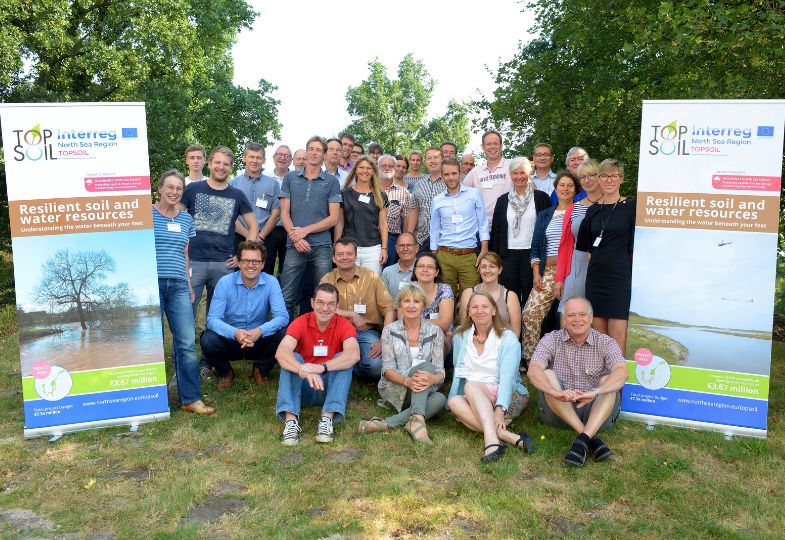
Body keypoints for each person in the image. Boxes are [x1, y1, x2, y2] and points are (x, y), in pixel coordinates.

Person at [527, 297, 628, 466]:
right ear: (564, 319)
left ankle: (582, 440)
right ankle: (589, 437)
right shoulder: (551, 339)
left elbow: (622, 372)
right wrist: (555, 392)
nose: (577, 320)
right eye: (571, 315)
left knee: (607, 380)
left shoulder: (606, 342)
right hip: (559, 410)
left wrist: (595, 392)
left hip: (596, 412)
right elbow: (533, 369)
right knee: (548, 374)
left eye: (582, 314)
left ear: (590, 317)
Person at [153, 169, 214, 414]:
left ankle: (190, 399)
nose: (174, 192)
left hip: (179, 284)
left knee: (187, 342)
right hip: (152, 283)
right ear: (159, 189)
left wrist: (189, 285)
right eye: (170, 187)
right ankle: (153, 399)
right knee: (152, 343)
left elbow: (185, 254)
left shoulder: (186, 219)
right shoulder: (146, 214)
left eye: (179, 188)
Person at [447, 291, 531, 463]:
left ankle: (492, 442)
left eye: (485, 306)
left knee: (471, 386)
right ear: (468, 312)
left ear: (494, 310)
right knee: (453, 402)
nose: (479, 311)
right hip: (475, 396)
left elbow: (508, 378)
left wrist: (500, 411)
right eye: (474, 307)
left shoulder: (508, 339)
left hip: (507, 396)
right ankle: (507, 436)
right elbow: (459, 370)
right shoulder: (460, 336)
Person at [180, 146, 258, 327]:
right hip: (193, 261)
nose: (221, 167)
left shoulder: (237, 195)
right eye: (217, 162)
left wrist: (243, 257)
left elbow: (253, 226)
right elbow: (177, 217)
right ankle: (183, 354)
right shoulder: (192, 189)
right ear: (209, 164)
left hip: (223, 264)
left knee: (218, 315)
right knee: (186, 311)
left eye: (226, 164)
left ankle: (212, 353)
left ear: (231, 167)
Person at [358, 284, 447, 443]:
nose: (411, 305)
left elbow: (440, 370)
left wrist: (433, 379)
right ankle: (418, 424)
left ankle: (389, 423)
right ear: (400, 304)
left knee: (440, 399)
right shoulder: (390, 331)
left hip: (422, 389)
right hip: (396, 389)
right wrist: (407, 381)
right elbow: (387, 369)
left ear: (423, 306)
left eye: (416, 301)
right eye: (406, 301)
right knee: (426, 367)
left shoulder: (435, 332)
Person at [275, 283, 360, 445]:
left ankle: (327, 419)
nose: (325, 308)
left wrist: (322, 367)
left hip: (328, 388)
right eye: (320, 302)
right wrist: (304, 370)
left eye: (330, 304)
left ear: (337, 306)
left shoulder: (343, 324)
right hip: (302, 387)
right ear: (313, 303)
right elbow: (281, 352)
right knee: (293, 357)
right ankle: (291, 421)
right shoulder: (301, 322)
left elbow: (354, 354)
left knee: (344, 357)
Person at [200, 241, 289, 389]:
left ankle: (260, 369)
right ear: (239, 263)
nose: (250, 265)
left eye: (255, 261)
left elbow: (282, 316)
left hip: (258, 339)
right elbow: (212, 319)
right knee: (208, 339)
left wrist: (260, 331)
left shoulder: (272, 282)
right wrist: (235, 333)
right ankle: (225, 372)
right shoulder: (225, 283)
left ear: (262, 264)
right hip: (231, 339)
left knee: (286, 333)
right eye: (246, 260)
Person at [521, 171, 581, 369]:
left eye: (570, 186)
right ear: (555, 188)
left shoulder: (579, 212)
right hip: (546, 272)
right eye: (562, 185)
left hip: (572, 272)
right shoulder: (545, 214)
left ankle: (569, 364)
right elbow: (536, 244)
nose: (565, 188)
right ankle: (533, 360)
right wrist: (536, 272)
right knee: (530, 314)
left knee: (567, 318)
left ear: (576, 190)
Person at [576, 159, 635, 356]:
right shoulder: (592, 211)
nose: (609, 180)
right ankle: (603, 384)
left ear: (621, 179)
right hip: (596, 281)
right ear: (599, 179)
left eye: (614, 176)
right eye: (604, 175)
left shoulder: (631, 207)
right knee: (600, 339)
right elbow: (588, 251)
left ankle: (619, 385)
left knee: (618, 338)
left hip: (620, 279)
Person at [279, 136, 341, 318]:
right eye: (311, 149)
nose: (314, 153)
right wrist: (296, 237)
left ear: (324, 155)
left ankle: (320, 338)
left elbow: (333, 218)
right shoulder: (290, 178)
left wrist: (305, 231)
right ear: (306, 152)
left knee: (325, 296)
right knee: (287, 296)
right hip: (294, 245)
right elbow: (284, 214)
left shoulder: (331, 181)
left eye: (319, 150)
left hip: (322, 246)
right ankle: (286, 339)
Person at [319, 237, 395, 379]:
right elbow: (322, 307)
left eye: (349, 254)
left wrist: (384, 340)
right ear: (334, 258)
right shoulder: (327, 279)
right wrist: (352, 315)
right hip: (335, 331)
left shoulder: (372, 277)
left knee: (375, 366)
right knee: (317, 357)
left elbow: (389, 309)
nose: (345, 258)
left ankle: (345, 364)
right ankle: (347, 362)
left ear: (356, 256)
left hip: (366, 332)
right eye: (340, 254)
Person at [490, 157, 551, 306]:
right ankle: (513, 329)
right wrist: (494, 258)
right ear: (510, 176)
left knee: (531, 297)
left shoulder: (541, 198)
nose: (519, 177)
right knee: (511, 298)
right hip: (508, 255)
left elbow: (548, 228)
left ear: (529, 173)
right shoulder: (503, 200)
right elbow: (496, 230)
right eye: (515, 173)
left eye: (522, 172)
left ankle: (529, 329)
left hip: (532, 255)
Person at [430, 158, 489, 299]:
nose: (450, 178)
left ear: (460, 173)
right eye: (446, 174)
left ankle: (466, 322)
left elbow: (483, 223)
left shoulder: (474, 194)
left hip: (469, 256)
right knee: (445, 299)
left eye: (454, 173)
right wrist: (434, 255)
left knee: (470, 298)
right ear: (442, 176)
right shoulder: (437, 200)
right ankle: (448, 322)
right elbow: (434, 229)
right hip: (445, 255)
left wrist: (484, 248)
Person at [555, 159, 603, 313]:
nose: (587, 180)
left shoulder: (613, 206)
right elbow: (565, 246)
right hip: (577, 269)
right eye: (582, 177)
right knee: (570, 316)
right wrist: (560, 278)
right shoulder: (573, 209)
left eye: (591, 175)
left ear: (600, 176)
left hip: (605, 269)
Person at [230, 142, 281, 272]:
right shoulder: (234, 183)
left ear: (263, 160)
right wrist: (249, 235)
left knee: (265, 273)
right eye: (251, 157)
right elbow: (231, 215)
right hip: (239, 236)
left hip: (265, 238)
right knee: (238, 274)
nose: (255, 160)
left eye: (258, 157)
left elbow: (276, 213)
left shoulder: (273, 184)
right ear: (244, 158)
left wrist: (261, 236)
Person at [335, 156, 389, 274]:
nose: (365, 171)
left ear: (373, 171)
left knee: (371, 286)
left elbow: (384, 224)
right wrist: (336, 245)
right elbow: (339, 223)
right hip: (349, 248)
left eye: (369, 168)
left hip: (373, 249)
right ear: (356, 170)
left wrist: (384, 248)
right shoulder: (344, 193)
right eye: (362, 167)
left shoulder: (381, 195)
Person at [459, 252, 521, 339]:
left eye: (492, 266)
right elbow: (464, 328)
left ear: (500, 270)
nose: (487, 270)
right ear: (479, 269)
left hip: (502, 346)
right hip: (475, 345)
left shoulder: (510, 296)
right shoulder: (468, 293)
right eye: (483, 266)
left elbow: (516, 333)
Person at [462, 130, 513, 226]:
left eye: (495, 143)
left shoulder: (512, 166)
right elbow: (461, 194)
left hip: (507, 226)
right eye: (488, 144)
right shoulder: (475, 172)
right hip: (482, 228)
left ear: (501, 146)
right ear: (483, 147)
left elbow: (530, 187)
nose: (492, 147)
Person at [410, 252, 454, 355]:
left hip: (441, 338)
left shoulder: (444, 290)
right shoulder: (408, 290)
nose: (425, 270)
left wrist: (414, 323)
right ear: (415, 270)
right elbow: (402, 320)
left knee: (435, 336)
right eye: (421, 266)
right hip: (413, 336)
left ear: (437, 272)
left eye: (430, 267)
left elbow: (444, 324)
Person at [406, 147, 446, 253]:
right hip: (422, 239)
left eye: (436, 157)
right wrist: (409, 236)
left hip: (444, 239)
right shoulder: (419, 184)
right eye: (429, 158)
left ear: (442, 159)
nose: (432, 160)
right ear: (425, 162)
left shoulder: (449, 183)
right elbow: (414, 211)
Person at [264, 145, 293, 279]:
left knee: (286, 270)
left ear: (291, 160)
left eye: (286, 156)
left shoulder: (296, 179)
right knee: (266, 266)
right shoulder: (265, 178)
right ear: (274, 157)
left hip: (289, 230)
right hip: (268, 230)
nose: (282, 158)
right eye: (279, 155)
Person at [378, 154, 411, 268]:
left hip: (391, 239)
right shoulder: (369, 189)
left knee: (387, 273)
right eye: (383, 166)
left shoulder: (403, 192)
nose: (387, 168)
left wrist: (404, 242)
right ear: (377, 167)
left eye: (391, 166)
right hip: (369, 239)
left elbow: (406, 220)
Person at [381, 232, 417, 304]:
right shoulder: (387, 272)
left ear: (416, 248)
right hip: (393, 314)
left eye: (409, 245)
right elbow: (383, 302)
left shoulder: (424, 271)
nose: (405, 249)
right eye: (401, 245)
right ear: (396, 249)